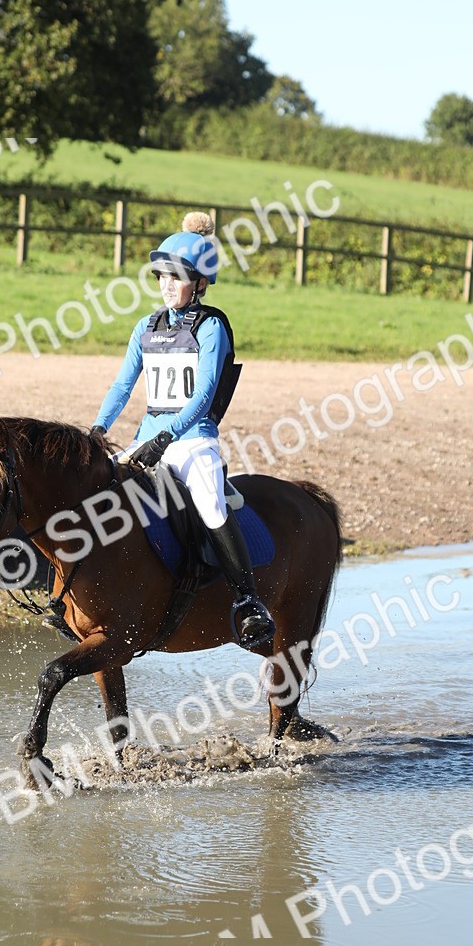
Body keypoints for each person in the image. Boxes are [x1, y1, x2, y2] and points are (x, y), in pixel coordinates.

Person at [91, 212, 275, 648]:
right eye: (161, 277)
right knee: (98, 492)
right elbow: (123, 384)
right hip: (148, 439)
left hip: (192, 440)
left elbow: (205, 391)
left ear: (200, 282)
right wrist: (99, 429)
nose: (166, 285)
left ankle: (247, 601)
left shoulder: (212, 327)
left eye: (176, 278)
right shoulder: (146, 327)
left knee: (211, 505)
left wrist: (167, 436)